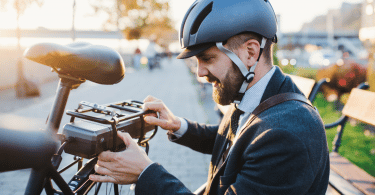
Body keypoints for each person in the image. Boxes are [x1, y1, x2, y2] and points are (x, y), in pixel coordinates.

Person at [89, 0, 330, 194]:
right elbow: (236, 140)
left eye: (207, 58)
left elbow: (256, 141)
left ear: (250, 52)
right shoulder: (259, 96)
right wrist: (178, 125)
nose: (200, 73)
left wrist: (145, 173)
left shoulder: (286, 134)